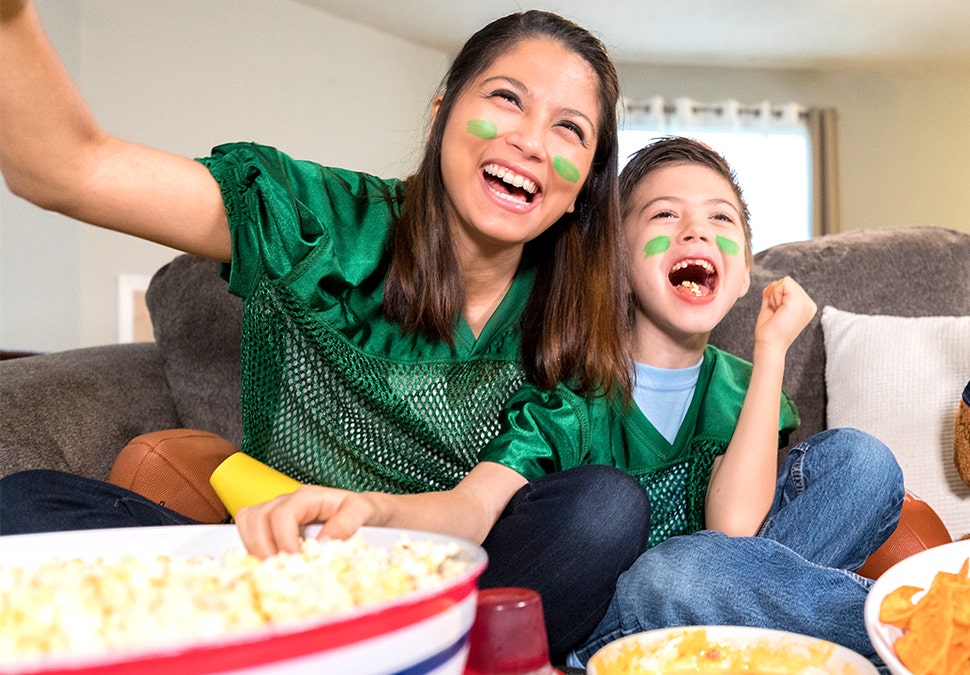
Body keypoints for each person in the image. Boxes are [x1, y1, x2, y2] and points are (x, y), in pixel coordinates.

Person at [0, 2, 649, 661]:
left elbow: (474, 511)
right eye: (507, 98)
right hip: (275, 572)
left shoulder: (570, 328)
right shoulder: (318, 223)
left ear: (583, 188)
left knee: (603, 509)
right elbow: (65, 167)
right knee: (25, 506)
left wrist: (370, 512)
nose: (532, 141)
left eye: (569, 129)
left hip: (446, 580)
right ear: (441, 114)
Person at [232, 136, 905, 666]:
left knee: (864, 463)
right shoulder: (573, 389)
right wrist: (374, 510)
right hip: (622, 605)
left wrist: (772, 352)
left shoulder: (741, 382)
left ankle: (746, 648)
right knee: (681, 569)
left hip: (714, 581)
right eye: (665, 216)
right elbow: (479, 504)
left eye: (720, 220)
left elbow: (738, 526)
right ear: (615, 263)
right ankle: (913, 626)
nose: (697, 233)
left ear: (740, 275)